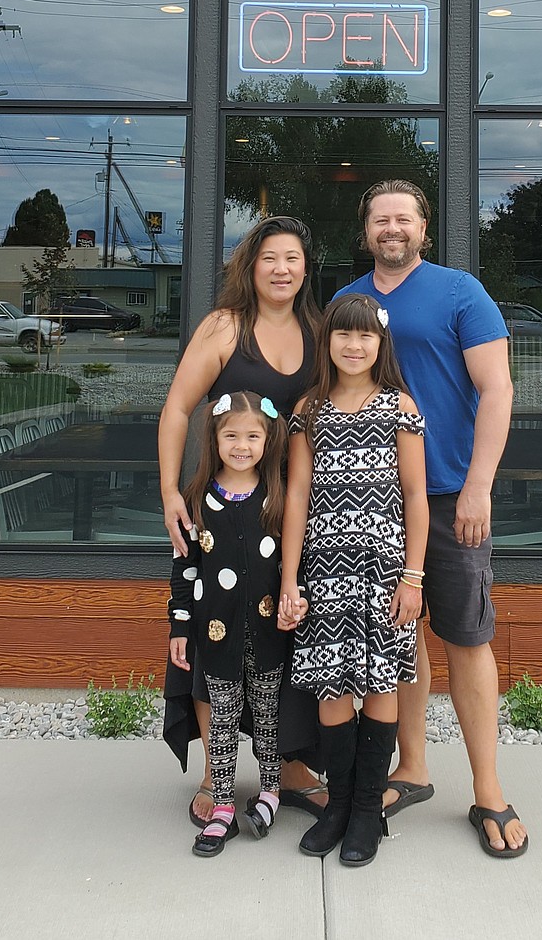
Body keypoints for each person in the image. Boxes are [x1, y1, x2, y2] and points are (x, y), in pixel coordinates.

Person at [335, 180, 529, 859]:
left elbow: (498, 388)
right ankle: (412, 768)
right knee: (400, 636)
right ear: (366, 232)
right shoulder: (346, 303)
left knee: (466, 638)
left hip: (448, 496)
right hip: (368, 502)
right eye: (380, 218)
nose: (392, 228)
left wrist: (479, 485)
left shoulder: (458, 292)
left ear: (423, 227)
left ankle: (488, 792)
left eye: (404, 218)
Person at [158, 215, 324, 825]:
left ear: (306, 269)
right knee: (214, 636)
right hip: (222, 514)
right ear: (249, 268)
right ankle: (215, 772)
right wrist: (170, 489)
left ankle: (294, 764)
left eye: (293, 259)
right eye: (269, 259)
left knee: (290, 637)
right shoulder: (225, 327)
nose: (282, 269)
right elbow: (177, 408)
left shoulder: (318, 327)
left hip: (292, 513)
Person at [279, 294, 429, 868]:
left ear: (380, 344)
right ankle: (338, 804)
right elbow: (295, 495)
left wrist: (412, 578)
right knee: (332, 688)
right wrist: (290, 577)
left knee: (380, 684)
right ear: (329, 342)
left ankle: (368, 809)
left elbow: (416, 496)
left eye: (365, 337)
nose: (354, 345)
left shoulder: (400, 407)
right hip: (324, 571)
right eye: (343, 335)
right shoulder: (310, 409)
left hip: (385, 572)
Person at [167, 390, 296, 857]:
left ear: (267, 439)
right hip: (215, 633)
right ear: (215, 439)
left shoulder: (276, 496)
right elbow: (184, 569)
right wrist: (179, 626)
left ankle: (270, 791)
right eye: (232, 436)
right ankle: (223, 805)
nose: (242, 445)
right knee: (221, 718)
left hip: (267, 633)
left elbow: (289, 563)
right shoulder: (198, 499)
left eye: (253, 436)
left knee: (267, 715)